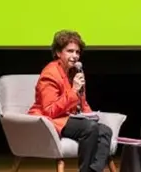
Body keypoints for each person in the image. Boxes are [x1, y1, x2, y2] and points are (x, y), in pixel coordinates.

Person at [28, 30, 112, 172]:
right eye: (70, 51)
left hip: (69, 117)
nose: (74, 56)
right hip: (51, 119)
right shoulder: (50, 74)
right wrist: (73, 90)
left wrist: (91, 116)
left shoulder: (76, 71)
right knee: (89, 128)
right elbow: (50, 110)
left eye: (77, 52)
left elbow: (83, 102)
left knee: (105, 131)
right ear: (58, 53)